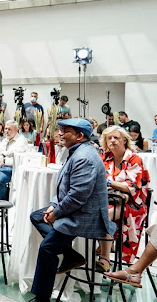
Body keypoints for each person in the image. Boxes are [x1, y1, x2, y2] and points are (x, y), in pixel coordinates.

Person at [28, 118, 115, 302]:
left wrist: (56, 214)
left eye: (65, 130)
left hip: (85, 216)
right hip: (76, 210)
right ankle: (69, 253)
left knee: (47, 248)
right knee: (37, 216)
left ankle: (41, 298)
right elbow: (64, 188)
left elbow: (77, 197)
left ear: (79, 136)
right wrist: (53, 205)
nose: (59, 133)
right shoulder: (78, 151)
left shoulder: (84, 157)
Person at [95, 126, 150, 271]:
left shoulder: (134, 159)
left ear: (125, 140)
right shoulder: (105, 157)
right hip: (109, 200)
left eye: (116, 137)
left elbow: (133, 187)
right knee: (95, 210)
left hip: (133, 204)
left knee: (106, 214)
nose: (112, 141)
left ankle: (105, 258)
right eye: (109, 138)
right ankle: (105, 243)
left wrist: (109, 183)